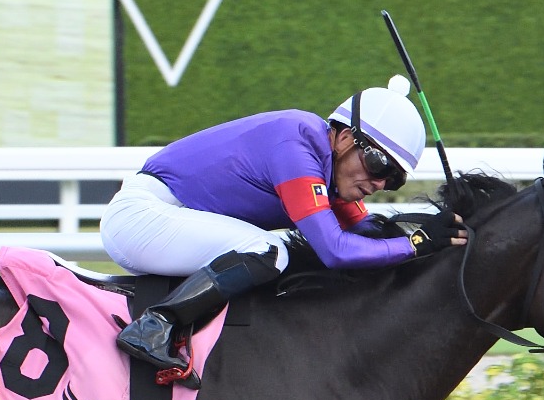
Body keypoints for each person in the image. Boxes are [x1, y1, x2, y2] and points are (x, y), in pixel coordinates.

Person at [100, 76, 467, 380]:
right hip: (142, 217)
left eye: (394, 178)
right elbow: (336, 251)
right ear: (342, 138)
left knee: (268, 252)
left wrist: (436, 231)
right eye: (376, 163)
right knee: (270, 252)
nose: (379, 183)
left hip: (168, 222)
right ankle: (155, 327)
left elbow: (370, 232)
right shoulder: (297, 145)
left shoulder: (329, 172)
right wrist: (417, 243)